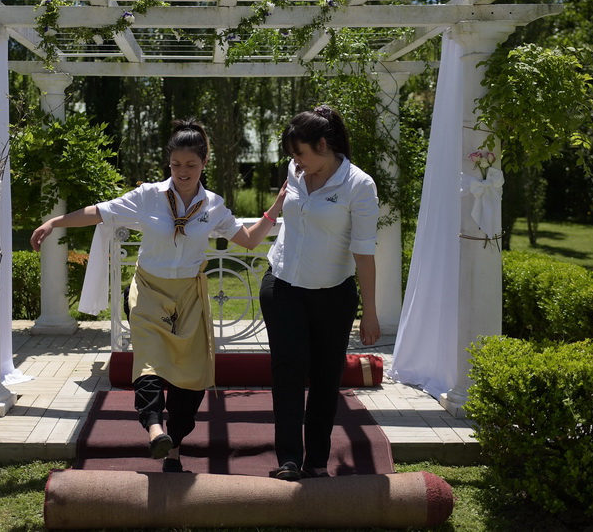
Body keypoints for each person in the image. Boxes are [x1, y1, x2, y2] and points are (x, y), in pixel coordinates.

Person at [30, 119, 286, 474]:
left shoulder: (212, 206)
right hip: (149, 290)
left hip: (190, 297)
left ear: (204, 162)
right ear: (168, 162)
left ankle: (174, 449)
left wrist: (275, 208)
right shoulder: (147, 196)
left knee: (191, 375)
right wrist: (54, 222)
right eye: (176, 164)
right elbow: (99, 212)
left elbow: (248, 240)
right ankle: (154, 428)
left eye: (191, 165)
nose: (183, 171)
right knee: (148, 361)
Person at [259, 105, 380, 481]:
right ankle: (289, 459)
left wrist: (371, 312)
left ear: (323, 145)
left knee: (327, 379)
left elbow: (364, 251)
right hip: (282, 288)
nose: (295, 161)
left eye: (301, 153)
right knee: (288, 374)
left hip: (333, 296)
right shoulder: (295, 173)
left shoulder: (359, 185)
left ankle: (316, 461)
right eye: (292, 155)